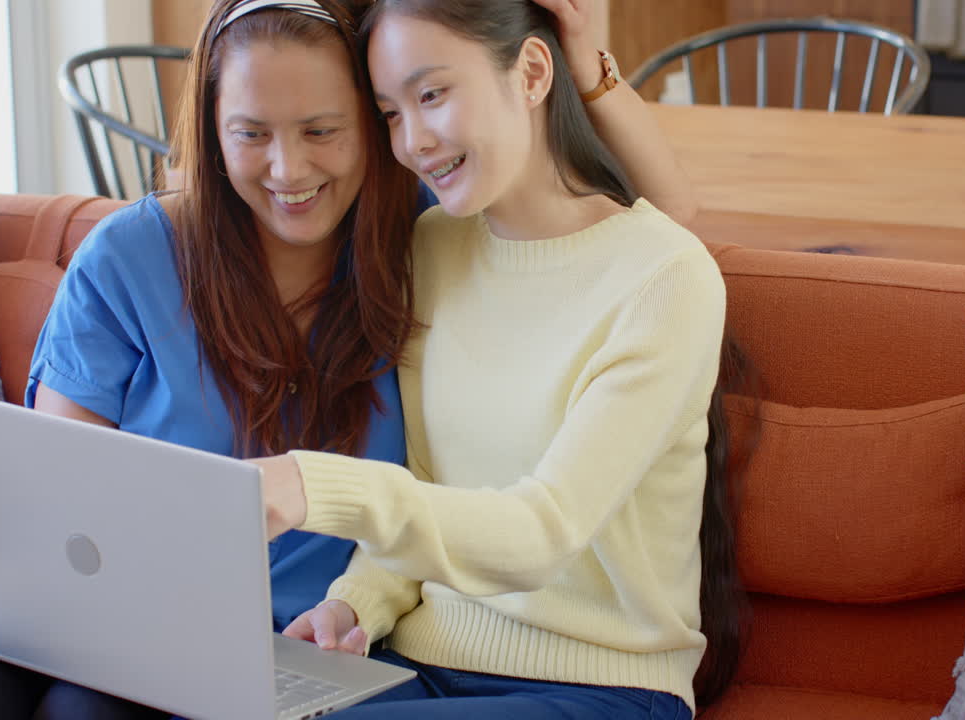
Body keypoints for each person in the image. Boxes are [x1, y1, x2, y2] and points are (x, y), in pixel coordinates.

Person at [0, 1, 700, 718]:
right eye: (251, 134)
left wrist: (588, 72)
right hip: (119, 611)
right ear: (213, 131)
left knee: (82, 712)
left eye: (324, 130)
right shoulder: (143, 254)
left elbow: (649, 241)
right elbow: (57, 495)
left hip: (283, 644)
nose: (289, 168)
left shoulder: (414, 236)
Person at [259, 1, 741, 718]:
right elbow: (428, 481)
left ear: (534, 73)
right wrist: (355, 604)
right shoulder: (432, 248)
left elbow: (542, 533)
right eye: (390, 112)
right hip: (421, 662)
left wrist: (311, 485)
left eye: (432, 95)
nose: (413, 141)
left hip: (601, 689)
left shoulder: (667, 278)